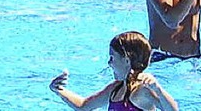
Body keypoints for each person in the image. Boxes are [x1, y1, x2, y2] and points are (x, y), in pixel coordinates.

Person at [49, 31, 179, 111]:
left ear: (127, 60)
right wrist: (59, 90)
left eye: (112, 57)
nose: (109, 63)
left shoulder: (142, 91)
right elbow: (84, 106)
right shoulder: (114, 90)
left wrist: (159, 91)